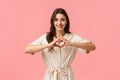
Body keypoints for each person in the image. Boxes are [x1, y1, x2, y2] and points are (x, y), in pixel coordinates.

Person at [25, 8, 96, 80]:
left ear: (66, 21)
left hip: (67, 76)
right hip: (50, 76)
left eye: (62, 19)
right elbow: (27, 49)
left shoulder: (73, 37)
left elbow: (92, 47)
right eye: (56, 20)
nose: (59, 23)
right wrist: (48, 45)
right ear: (52, 22)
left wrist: (71, 43)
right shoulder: (45, 38)